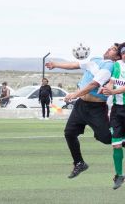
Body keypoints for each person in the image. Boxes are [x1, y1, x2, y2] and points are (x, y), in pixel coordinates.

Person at [45, 43, 121, 179]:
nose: (109, 49)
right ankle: (79, 163)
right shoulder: (95, 60)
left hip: (96, 109)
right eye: (110, 47)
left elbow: (94, 84)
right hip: (81, 106)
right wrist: (56, 64)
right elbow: (75, 65)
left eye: (113, 49)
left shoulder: (110, 66)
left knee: (106, 138)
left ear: (117, 56)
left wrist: (75, 94)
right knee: (69, 133)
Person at [101, 43, 125, 189]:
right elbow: (111, 82)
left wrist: (112, 92)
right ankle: (119, 175)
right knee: (116, 144)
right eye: (123, 53)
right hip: (117, 111)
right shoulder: (116, 66)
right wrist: (107, 89)